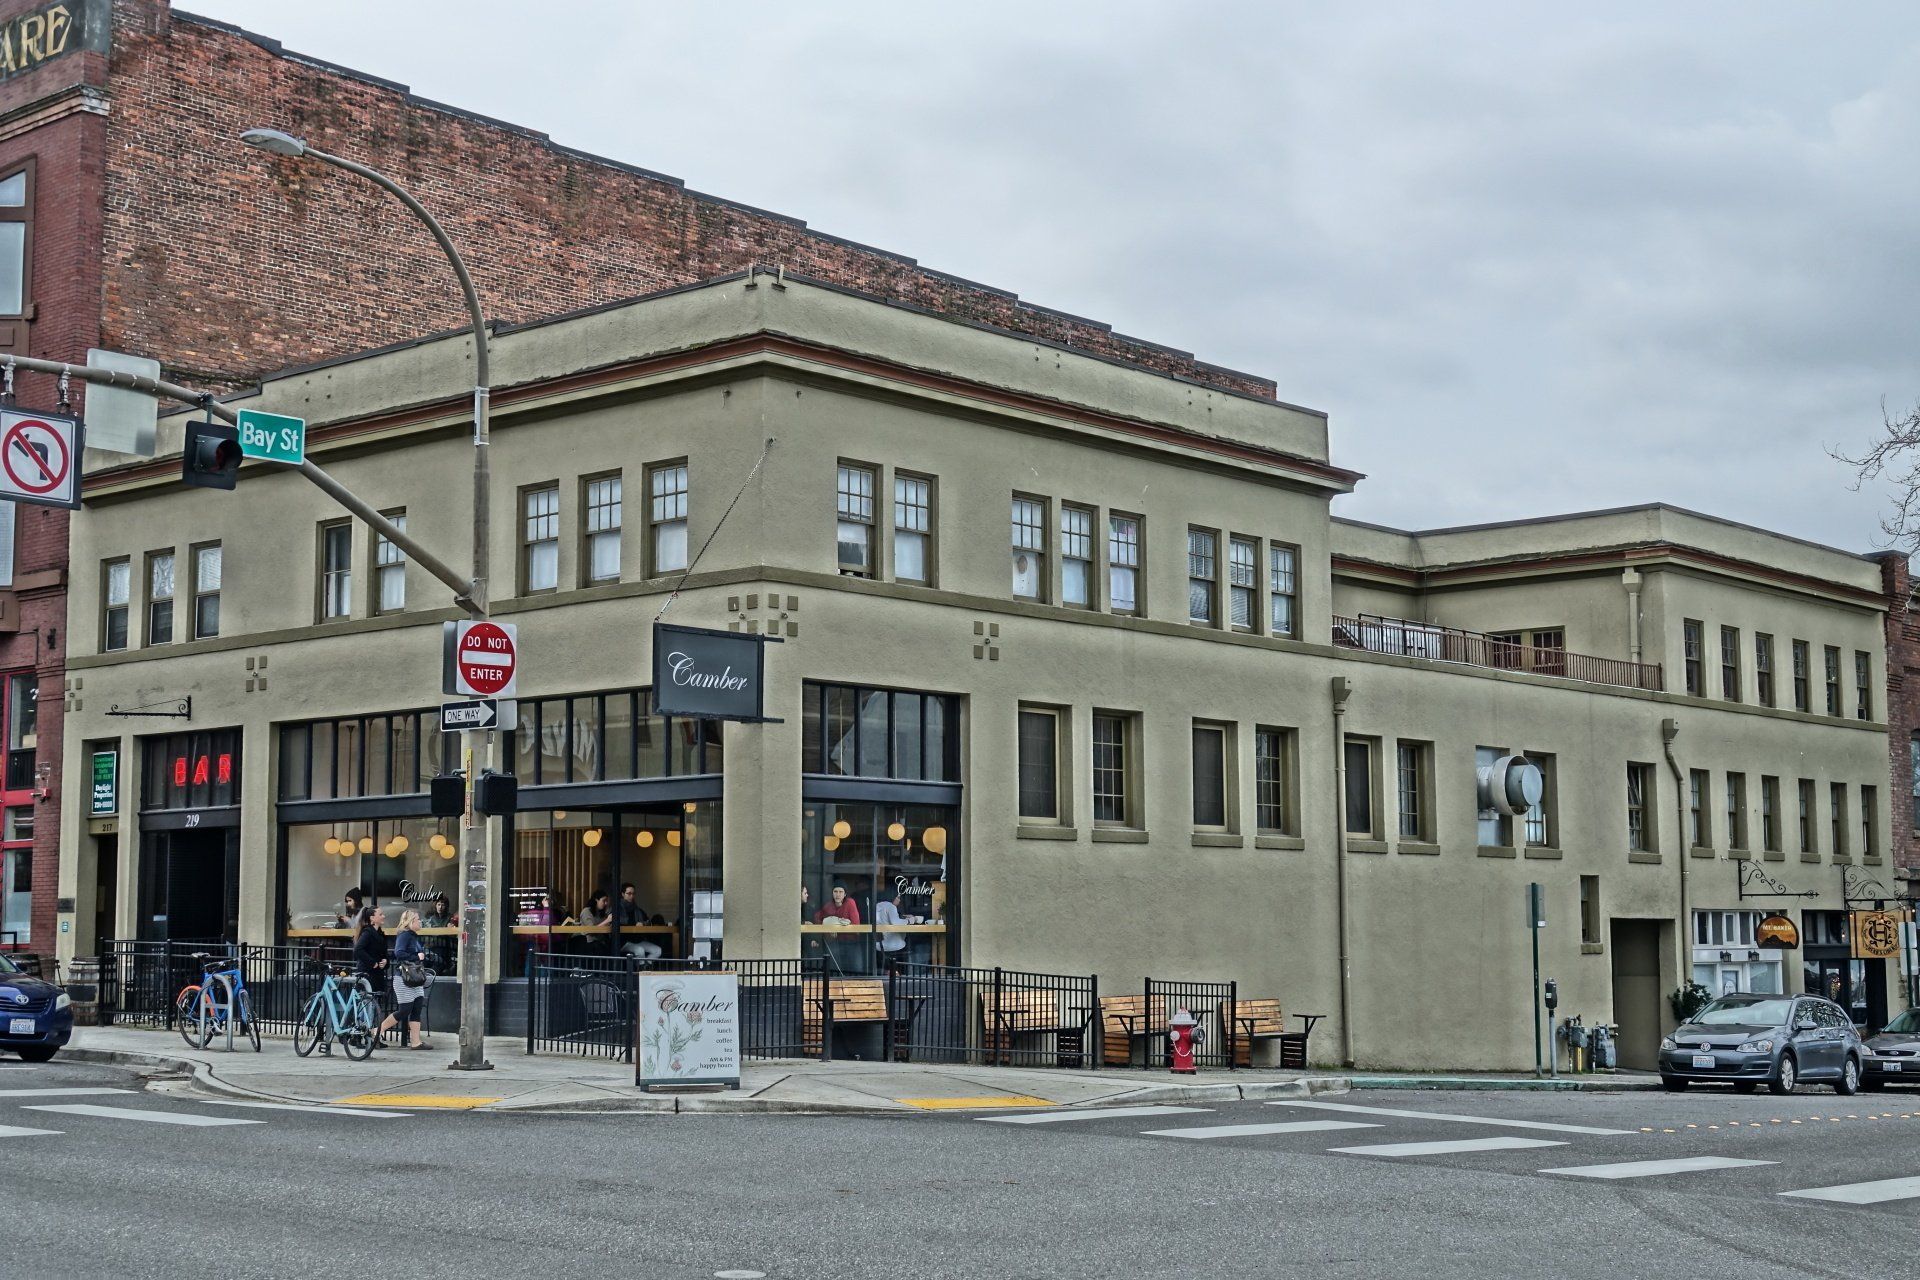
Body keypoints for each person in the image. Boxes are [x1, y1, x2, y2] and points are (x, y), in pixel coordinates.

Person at [382, 908, 432, 1050]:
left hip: (415, 978)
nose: (420, 922)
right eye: (418, 919)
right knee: (404, 1010)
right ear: (410, 922)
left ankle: (416, 1042)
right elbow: (399, 953)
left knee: (417, 1008)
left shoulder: (414, 936)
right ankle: (378, 1030)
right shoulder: (404, 935)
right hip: (404, 978)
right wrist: (417, 956)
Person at [353, 905, 391, 1049]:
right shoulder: (367, 933)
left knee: (374, 1007)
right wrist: (373, 963)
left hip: (377, 975)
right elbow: (358, 950)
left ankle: (372, 1037)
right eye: (380, 914)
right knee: (365, 1005)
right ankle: (357, 1036)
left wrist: (385, 962)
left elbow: (385, 954)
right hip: (367, 974)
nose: (383, 916)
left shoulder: (380, 934)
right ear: (372, 918)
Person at [617, 883, 662, 961]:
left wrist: (643, 924)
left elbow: (648, 921)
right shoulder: (617, 909)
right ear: (623, 894)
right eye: (629, 893)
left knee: (657, 950)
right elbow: (617, 922)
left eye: (633, 893)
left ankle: (645, 966)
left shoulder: (637, 909)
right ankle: (640, 968)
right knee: (640, 950)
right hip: (623, 942)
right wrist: (634, 924)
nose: (632, 896)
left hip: (637, 940)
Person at [873, 886, 908, 971]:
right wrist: (910, 920)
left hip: (879, 947)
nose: (899, 900)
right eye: (898, 898)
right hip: (895, 946)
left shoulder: (876, 906)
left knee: (884, 970)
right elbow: (896, 923)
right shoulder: (890, 906)